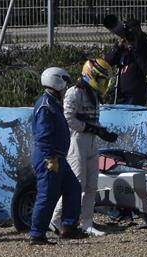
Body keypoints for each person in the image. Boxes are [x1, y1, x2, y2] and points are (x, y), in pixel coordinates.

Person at [50, 59, 118, 237]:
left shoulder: (94, 95)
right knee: (77, 183)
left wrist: (102, 132)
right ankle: (55, 219)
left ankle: (87, 222)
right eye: (101, 79)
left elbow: (92, 121)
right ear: (90, 75)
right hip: (76, 141)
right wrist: (94, 129)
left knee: (92, 185)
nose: (104, 84)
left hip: (91, 141)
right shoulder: (73, 93)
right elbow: (69, 120)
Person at [30, 67, 87, 245]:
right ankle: (37, 234)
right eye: (64, 83)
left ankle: (68, 227)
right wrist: (50, 157)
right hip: (50, 157)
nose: (66, 88)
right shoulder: (46, 105)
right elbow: (43, 134)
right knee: (47, 195)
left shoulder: (53, 103)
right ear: (57, 82)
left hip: (58, 157)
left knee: (73, 188)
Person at [105, 18, 147, 106]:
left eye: (135, 31)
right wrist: (118, 47)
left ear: (140, 30)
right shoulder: (122, 46)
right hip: (119, 93)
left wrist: (135, 48)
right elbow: (107, 62)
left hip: (136, 94)